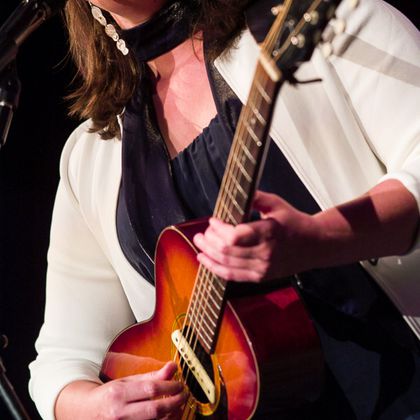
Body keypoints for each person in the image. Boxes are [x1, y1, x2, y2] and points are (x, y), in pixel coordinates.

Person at [29, 0, 420, 418]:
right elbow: (61, 362)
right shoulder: (92, 155)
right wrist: (97, 406)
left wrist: (319, 238)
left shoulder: (314, 18)